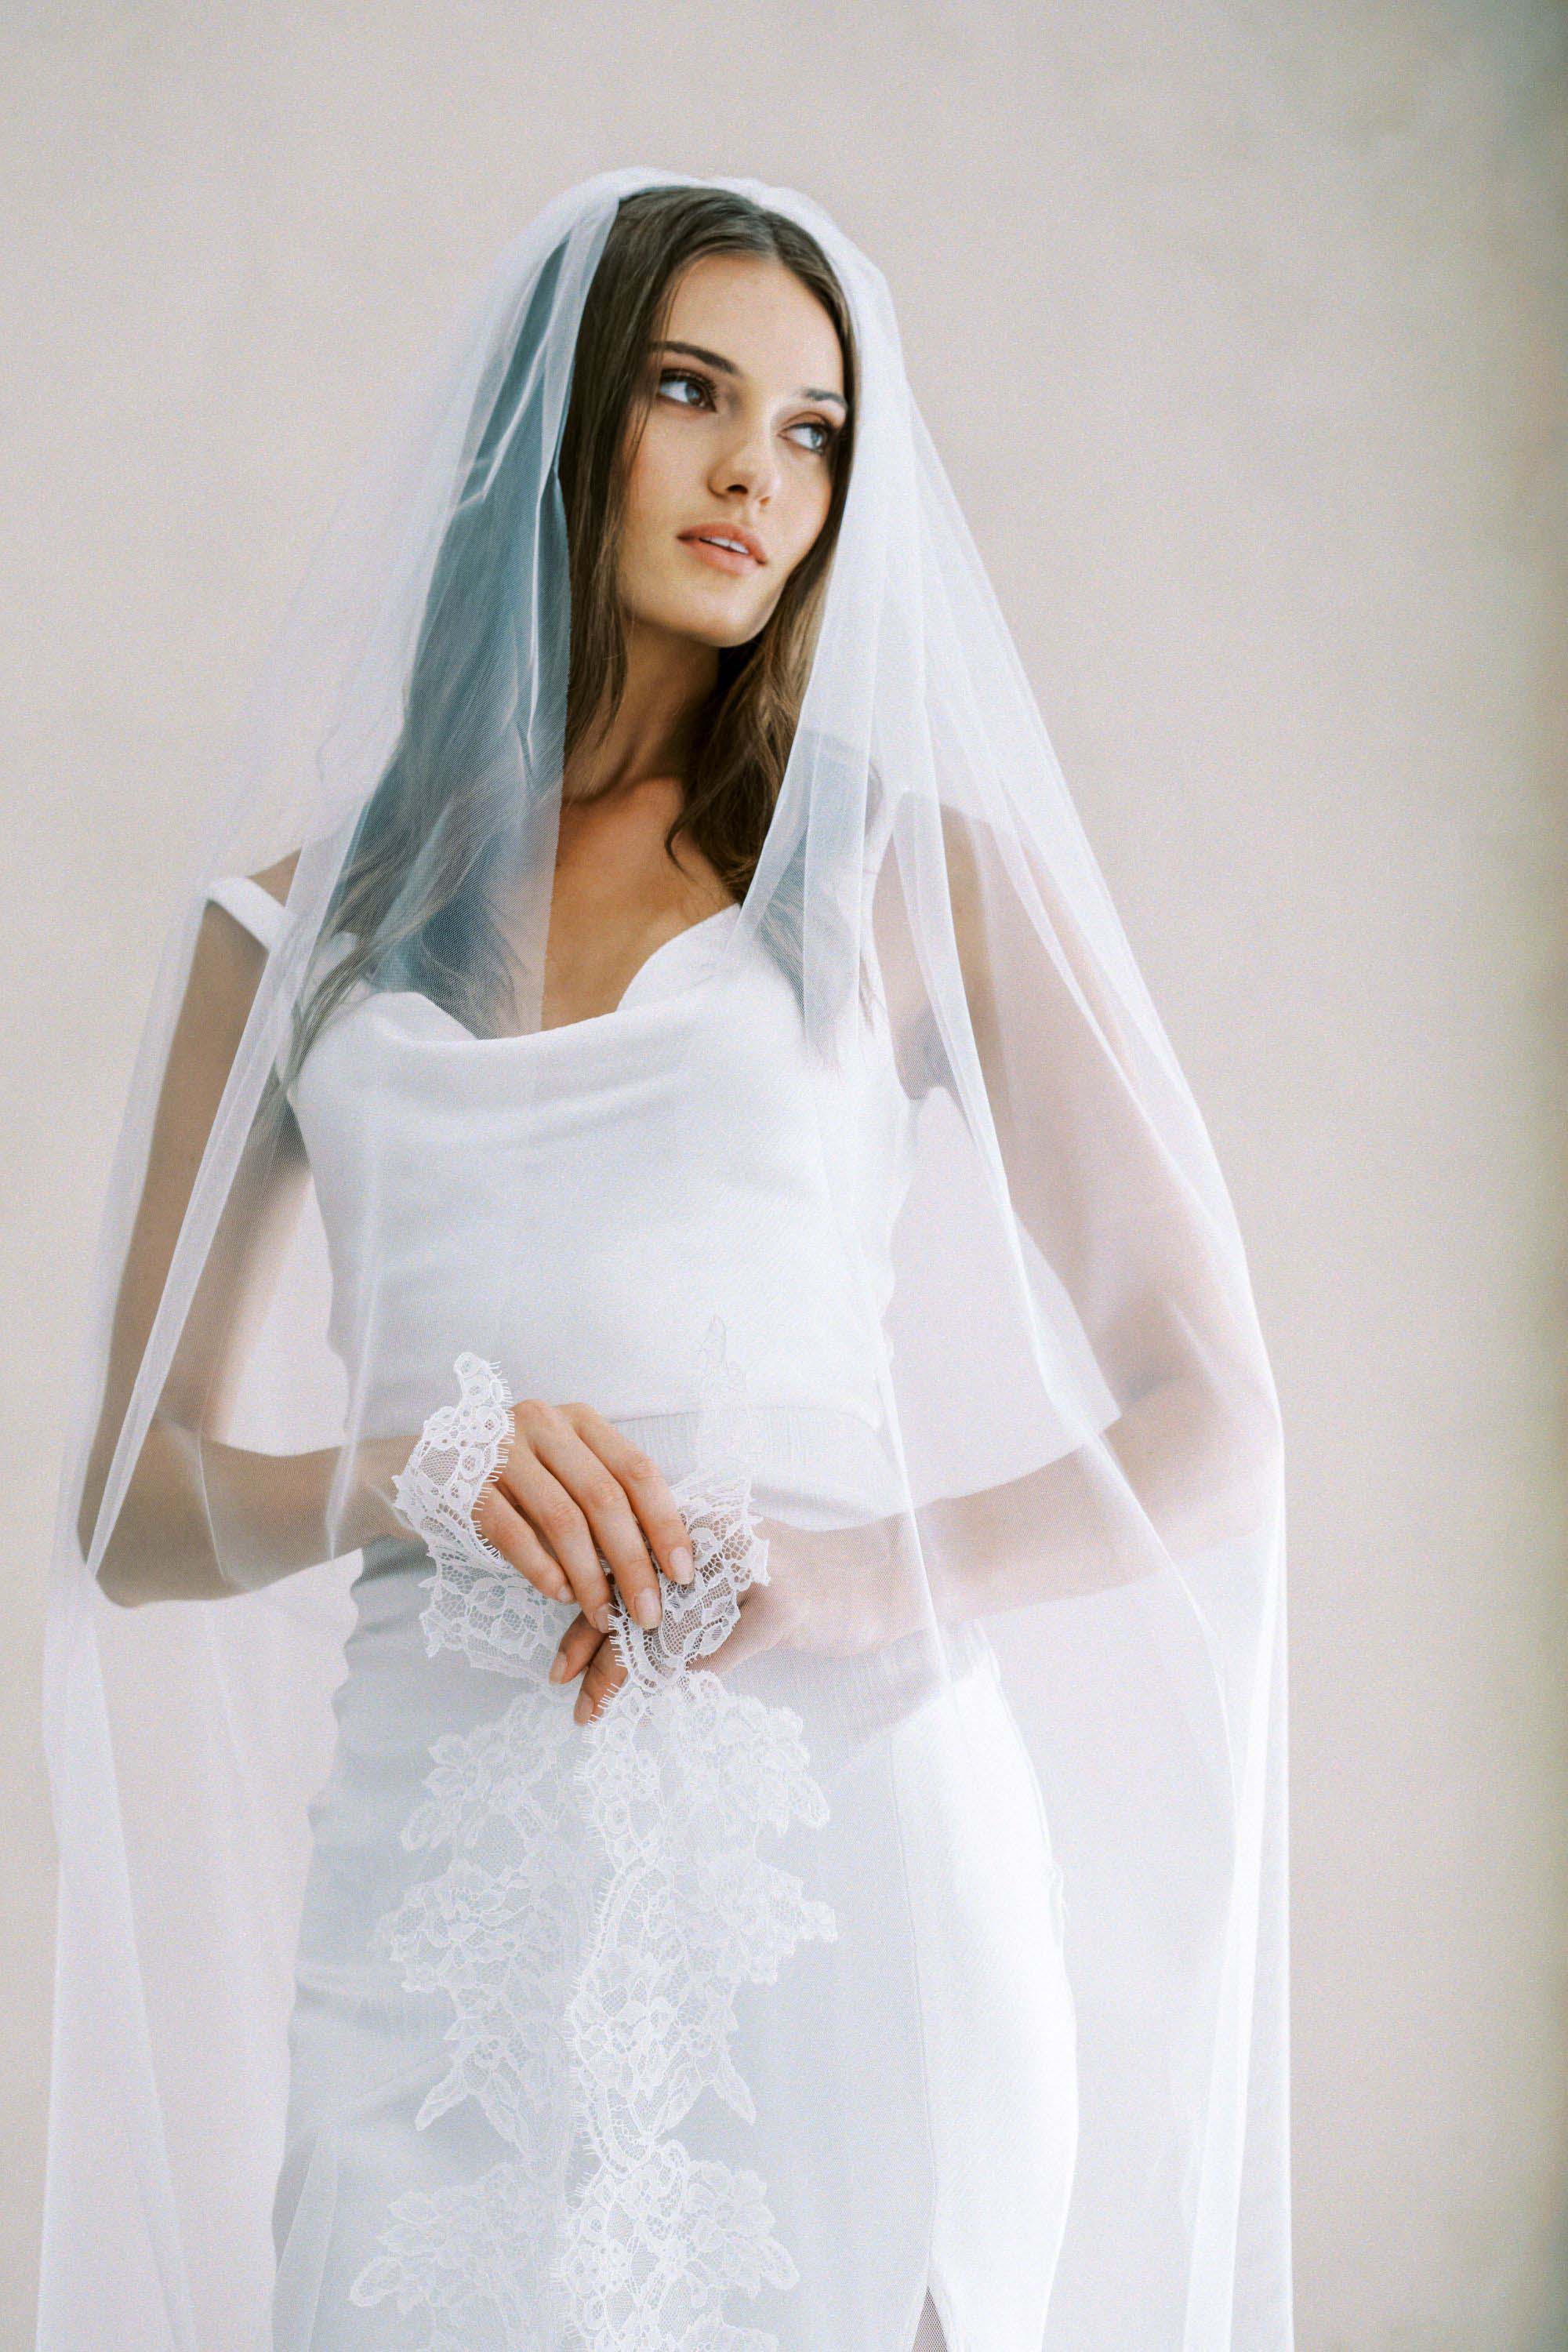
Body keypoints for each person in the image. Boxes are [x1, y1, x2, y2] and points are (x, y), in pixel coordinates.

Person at [40, 172, 1291, 2352]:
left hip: (840, 1830)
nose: (755, 477)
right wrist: (401, 1479)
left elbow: (1217, 1420)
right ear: (560, 424)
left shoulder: (906, 873)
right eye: (692, 393)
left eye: (815, 431)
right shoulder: (295, 935)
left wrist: (861, 1579)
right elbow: (128, 1508)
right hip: (440, 1874)